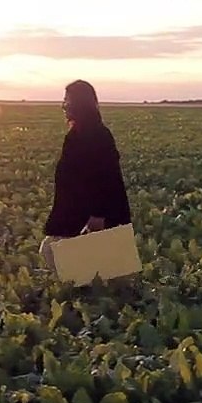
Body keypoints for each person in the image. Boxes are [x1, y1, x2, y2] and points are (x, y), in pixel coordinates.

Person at [40, 80, 132, 271]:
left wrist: (98, 215)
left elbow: (105, 177)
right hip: (79, 210)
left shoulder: (94, 135)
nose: (63, 106)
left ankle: (89, 284)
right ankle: (96, 282)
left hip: (90, 213)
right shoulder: (82, 133)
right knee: (55, 250)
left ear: (78, 104)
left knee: (52, 250)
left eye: (67, 101)